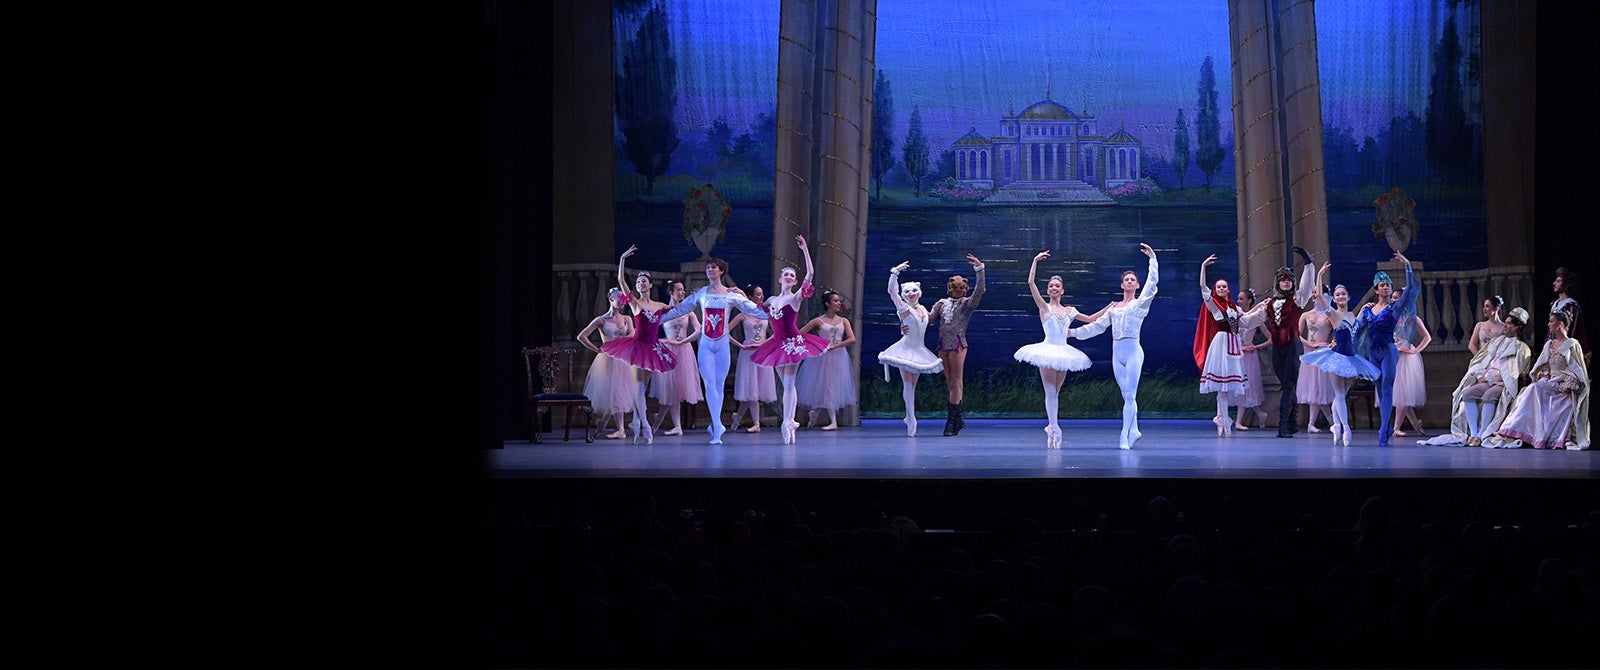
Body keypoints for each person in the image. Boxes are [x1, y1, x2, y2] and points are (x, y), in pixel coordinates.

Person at [658, 254, 774, 444]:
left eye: (713, 267)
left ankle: (715, 424)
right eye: (708, 267)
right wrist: (655, 320)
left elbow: (753, 310)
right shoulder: (701, 293)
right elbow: (680, 309)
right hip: (705, 344)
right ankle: (717, 427)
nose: (710, 270)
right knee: (709, 384)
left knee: (718, 385)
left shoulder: (731, 294)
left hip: (722, 345)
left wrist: (777, 315)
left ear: (721, 271)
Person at [1065, 243, 1156, 449]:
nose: (1129, 281)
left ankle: (1124, 435)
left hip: (1133, 353)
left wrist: (1152, 259)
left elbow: (1152, 285)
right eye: (1126, 280)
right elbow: (1096, 327)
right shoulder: (1113, 309)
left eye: (1133, 280)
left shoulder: (1138, 305)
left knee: (1130, 395)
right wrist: (1073, 333)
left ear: (1137, 285)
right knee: (1126, 395)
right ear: (1122, 285)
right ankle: (1134, 429)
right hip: (1117, 355)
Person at [748, 235, 832, 445]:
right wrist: (739, 294)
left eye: (792, 275)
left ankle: (787, 422)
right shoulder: (771, 300)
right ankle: (790, 421)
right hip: (776, 344)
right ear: (780, 279)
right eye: (785, 274)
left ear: (795, 281)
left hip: (793, 343)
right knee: (786, 385)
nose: (788, 277)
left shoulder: (795, 298)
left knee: (788, 383)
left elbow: (810, 274)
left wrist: (805, 250)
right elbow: (756, 311)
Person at [1014, 250, 1094, 449]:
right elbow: (1031, 283)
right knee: (1050, 391)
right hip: (1048, 350)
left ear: (1062, 290)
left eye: (1057, 286)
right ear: (1048, 290)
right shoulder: (1044, 307)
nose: (1054, 288)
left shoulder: (1070, 311)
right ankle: (1055, 428)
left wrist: (1110, 308)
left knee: (1056, 393)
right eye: (1051, 286)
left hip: (1064, 353)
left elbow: (1091, 319)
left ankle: (1050, 426)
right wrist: (1035, 261)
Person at [603, 249, 684, 444]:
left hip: (653, 348)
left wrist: (692, 297)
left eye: (644, 281)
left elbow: (679, 309)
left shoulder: (659, 305)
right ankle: (646, 426)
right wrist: (622, 259)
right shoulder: (634, 303)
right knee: (638, 388)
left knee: (643, 388)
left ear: (650, 284)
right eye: (638, 282)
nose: (641, 284)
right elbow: (621, 280)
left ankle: (637, 423)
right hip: (638, 346)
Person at [1420, 308, 1532, 447]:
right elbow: (1482, 360)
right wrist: (1480, 375)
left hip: (1503, 382)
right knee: (1468, 393)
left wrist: (1493, 377)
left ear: (1517, 327)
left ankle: (1483, 433)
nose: (1505, 325)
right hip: (1487, 379)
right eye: (1506, 322)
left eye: (1509, 323)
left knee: (1489, 396)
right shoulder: (1496, 342)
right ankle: (1474, 433)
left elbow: (1515, 371)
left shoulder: (1522, 348)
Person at [1300, 275, 1383, 446]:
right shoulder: (1332, 314)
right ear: (1334, 298)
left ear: (1349, 297)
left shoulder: (1352, 315)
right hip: (1337, 357)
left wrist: (1363, 309)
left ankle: (1336, 425)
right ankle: (1346, 428)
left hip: (1352, 358)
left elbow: (1357, 325)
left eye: (1343, 294)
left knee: (1341, 396)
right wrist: (1319, 275)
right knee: (1339, 394)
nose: (1340, 296)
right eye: (1337, 294)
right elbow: (1320, 297)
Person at [1194, 254, 1271, 437]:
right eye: (1218, 287)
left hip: (1233, 344)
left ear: (1228, 289)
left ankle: (1223, 418)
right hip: (1221, 344)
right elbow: (1203, 287)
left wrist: (1261, 307)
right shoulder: (1214, 305)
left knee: (1228, 385)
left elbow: (1246, 320)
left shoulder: (1233, 307)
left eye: (1224, 286)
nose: (1221, 289)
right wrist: (1203, 266)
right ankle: (1223, 419)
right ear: (1216, 289)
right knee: (1221, 385)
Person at [1495, 312, 1591, 450]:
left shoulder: (1572, 344)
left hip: (1563, 387)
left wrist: (1566, 380)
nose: (1548, 324)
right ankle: (1515, 429)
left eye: (1551, 321)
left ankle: (1525, 431)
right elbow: (1542, 366)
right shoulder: (1549, 345)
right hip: (1550, 383)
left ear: (1560, 324)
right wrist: (1543, 373)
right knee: (1532, 389)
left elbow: (1578, 369)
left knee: (1534, 389)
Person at [1352, 252, 1418, 447]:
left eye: (1388, 285)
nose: (1386, 287)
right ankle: (1387, 425)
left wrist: (1407, 265)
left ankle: (1383, 430)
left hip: (1389, 351)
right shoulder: (1367, 310)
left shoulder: (1395, 308)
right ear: (1376, 289)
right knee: (1380, 391)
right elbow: (1356, 328)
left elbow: (1410, 289)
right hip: (1373, 353)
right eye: (1382, 285)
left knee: (1387, 388)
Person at [878, 263, 944, 436]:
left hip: (919, 350)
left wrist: (942, 304)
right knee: (908, 385)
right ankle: (912, 419)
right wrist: (895, 272)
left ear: (919, 292)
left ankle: (908, 416)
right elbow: (892, 292)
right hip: (906, 349)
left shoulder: (922, 308)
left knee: (913, 386)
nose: (911, 294)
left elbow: (930, 319)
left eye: (914, 291)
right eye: (907, 292)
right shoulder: (904, 308)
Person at [1263, 247, 1320, 437]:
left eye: (1288, 280)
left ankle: (1283, 426)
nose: (1286, 282)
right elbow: (1250, 320)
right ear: (1278, 283)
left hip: (1292, 346)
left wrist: (1308, 263)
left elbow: (1306, 286)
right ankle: (1293, 423)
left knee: (1288, 385)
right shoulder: (1269, 303)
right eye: (1282, 280)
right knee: (1286, 385)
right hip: (1277, 348)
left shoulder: (1298, 300)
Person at [928, 254, 987, 436]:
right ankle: (958, 419)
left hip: (957, 344)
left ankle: (951, 422)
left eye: (961, 288)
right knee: (950, 383)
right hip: (942, 345)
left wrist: (980, 269)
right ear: (949, 288)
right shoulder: (942, 303)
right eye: (955, 288)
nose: (958, 291)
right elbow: (928, 320)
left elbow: (980, 291)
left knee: (956, 381)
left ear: (965, 289)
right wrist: (912, 314)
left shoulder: (966, 304)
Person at [576, 288, 637, 439]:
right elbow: (582, 336)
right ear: (611, 299)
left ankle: (609, 425)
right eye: (619, 298)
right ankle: (617, 428)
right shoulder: (601, 320)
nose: (622, 302)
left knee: (618, 392)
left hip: (622, 359)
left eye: (624, 299)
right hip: (608, 359)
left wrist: (622, 341)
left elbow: (633, 333)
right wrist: (597, 349)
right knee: (613, 391)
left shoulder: (627, 319)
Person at [796, 290, 858, 431]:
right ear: (827, 304)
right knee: (827, 386)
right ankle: (833, 421)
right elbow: (800, 334)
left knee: (831, 385)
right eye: (835, 301)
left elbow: (852, 339)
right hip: (822, 357)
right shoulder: (818, 321)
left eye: (838, 300)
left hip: (838, 357)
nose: (839, 303)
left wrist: (837, 345)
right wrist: (815, 344)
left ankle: (815, 412)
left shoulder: (843, 321)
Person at [650, 280, 704, 436]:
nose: (682, 292)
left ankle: (665, 421)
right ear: (671, 292)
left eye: (683, 290)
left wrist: (684, 341)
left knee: (678, 388)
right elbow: (650, 331)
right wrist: (662, 342)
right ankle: (673, 425)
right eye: (679, 290)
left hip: (684, 351)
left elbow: (698, 330)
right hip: (668, 351)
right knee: (671, 389)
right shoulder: (664, 313)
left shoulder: (688, 311)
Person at [728, 285, 777, 433]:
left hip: (762, 353)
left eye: (762, 294)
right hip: (748, 354)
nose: (761, 297)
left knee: (754, 390)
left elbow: (776, 333)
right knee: (752, 390)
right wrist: (740, 345)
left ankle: (737, 417)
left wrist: (763, 343)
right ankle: (756, 424)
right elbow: (725, 331)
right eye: (758, 294)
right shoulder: (743, 315)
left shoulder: (765, 314)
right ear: (750, 297)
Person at [1388, 287, 1433, 437]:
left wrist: (1415, 350)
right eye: (1393, 298)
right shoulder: (1389, 317)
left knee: (1403, 392)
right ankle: (1415, 422)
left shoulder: (1412, 318)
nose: (1394, 300)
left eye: (1397, 298)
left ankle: (1396, 428)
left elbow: (1427, 337)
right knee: (1400, 393)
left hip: (1406, 358)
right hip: (1393, 355)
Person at [1296, 273, 1337, 434]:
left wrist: (1331, 343)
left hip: (1323, 353)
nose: (1314, 295)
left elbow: (1339, 332)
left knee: (1320, 390)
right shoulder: (1305, 315)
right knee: (1314, 390)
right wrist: (1309, 344)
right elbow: (1297, 334)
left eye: (1317, 292)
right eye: (1313, 292)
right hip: (1309, 353)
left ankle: (1324, 421)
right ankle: (1320, 422)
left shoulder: (1329, 314)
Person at [1234, 288, 1273, 431]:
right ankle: (1261, 414)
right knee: (1240, 386)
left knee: (1246, 387)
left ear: (1249, 300)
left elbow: (1271, 339)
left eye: (1241, 299)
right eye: (1238, 299)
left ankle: (1239, 421)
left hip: (1249, 356)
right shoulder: (1237, 315)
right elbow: (1244, 318)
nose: (1239, 301)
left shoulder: (1256, 319)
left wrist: (1255, 346)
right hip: (1237, 354)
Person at [1548, 266, 1589, 367]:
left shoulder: (1571, 306)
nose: (1554, 283)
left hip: (1565, 352)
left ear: (1566, 284)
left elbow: (1570, 331)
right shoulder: (1555, 304)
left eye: (1558, 281)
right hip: (1552, 347)